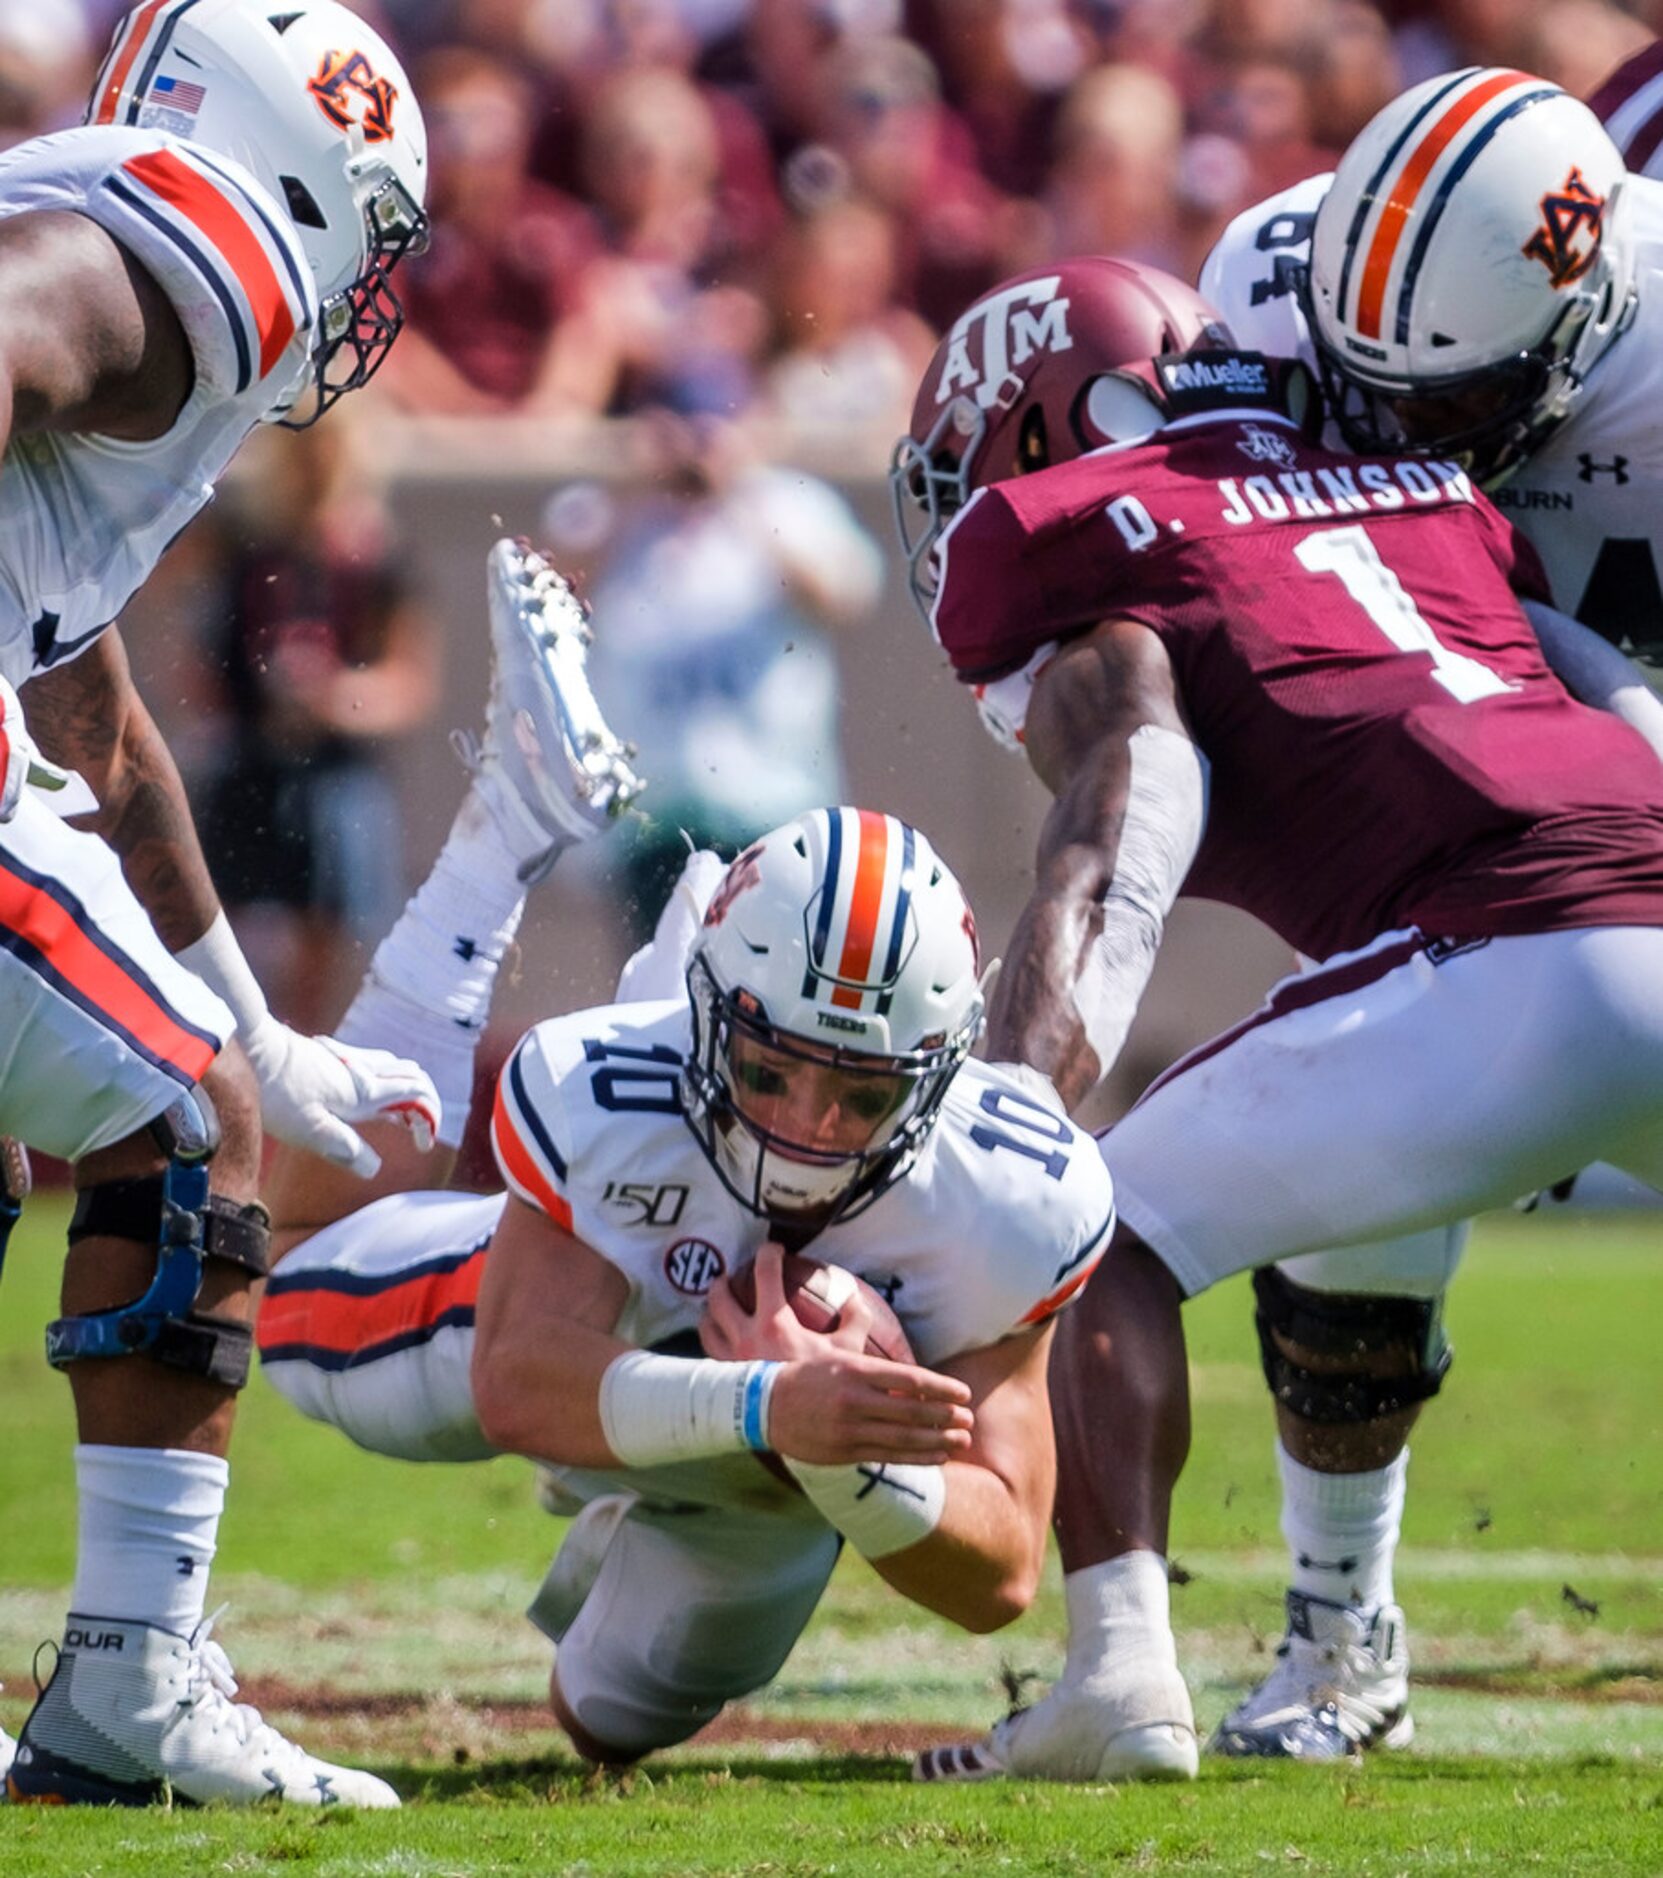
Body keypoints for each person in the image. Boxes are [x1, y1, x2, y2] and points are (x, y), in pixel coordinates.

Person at [887, 254, 1663, 1783]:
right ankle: (1336, 1644)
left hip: (1514, 940)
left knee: (1085, 1233)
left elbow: (1141, 788)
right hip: (1616, 892)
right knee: (1343, 1187)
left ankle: (1116, 1678)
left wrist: (1011, 1125)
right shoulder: (1397, 477)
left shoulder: (1058, 528)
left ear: (1043, 424)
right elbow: (1600, 698)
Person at [247, 541, 1119, 1768]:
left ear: (934, 1082)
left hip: (777, 1488)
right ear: (704, 1015)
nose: (806, 1122)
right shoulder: (606, 1084)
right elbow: (516, 1384)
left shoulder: (1016, 1194)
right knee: (283, 1293)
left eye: (858, 1093)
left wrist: (850, 1461)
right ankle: (498, 838)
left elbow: (1001, 1568)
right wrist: (772, 1398)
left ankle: (642, 1502)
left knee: (604, 1720)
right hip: (593, 1331)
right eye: (771, 1068)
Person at [1178, 63, 1663, 1760]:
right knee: (1346, 1160)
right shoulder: (1271, 273)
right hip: (1445, 792)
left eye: (1440, 405)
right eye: (1356, 385)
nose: (1383, 435)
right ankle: (1335, 1629)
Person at [0, 0, 444, 1809]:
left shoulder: (119, 282)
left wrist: (256, 1013)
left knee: (173, 1079)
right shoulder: (184, 248)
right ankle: (131, 1686)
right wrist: (226, 1060)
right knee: (180, 1114)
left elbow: (97, 733)